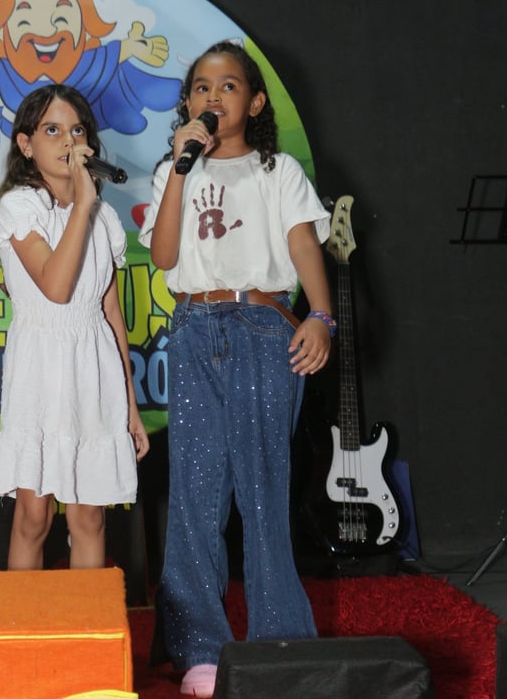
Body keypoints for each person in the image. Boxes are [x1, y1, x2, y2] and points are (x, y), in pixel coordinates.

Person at [138, 41, 334, 698]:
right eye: (201, 86)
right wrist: (178, 170)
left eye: (228, 86)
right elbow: (164, 256)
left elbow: (302, 242)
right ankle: (199, 648)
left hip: (261, 327)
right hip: (194, 328)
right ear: (187, 103)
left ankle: (280, 642)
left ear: (253, 103)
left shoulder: (276, 170)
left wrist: (321, 316)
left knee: (262, 489)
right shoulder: (174, 169)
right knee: (195, 492)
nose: (213, 95)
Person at [0, 84, 150, 572]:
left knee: (90, 517)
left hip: (94, 365)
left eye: (77, 131)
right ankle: (25, 620)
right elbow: (55, 288)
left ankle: (87, 623)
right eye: (52, 130)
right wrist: (81, 205)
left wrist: (130, 405)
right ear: (26, 144)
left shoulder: (104, 218)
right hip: (39, 365)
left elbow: (111, 314)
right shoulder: (18, 207)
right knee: (34, 516)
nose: (67, 141)